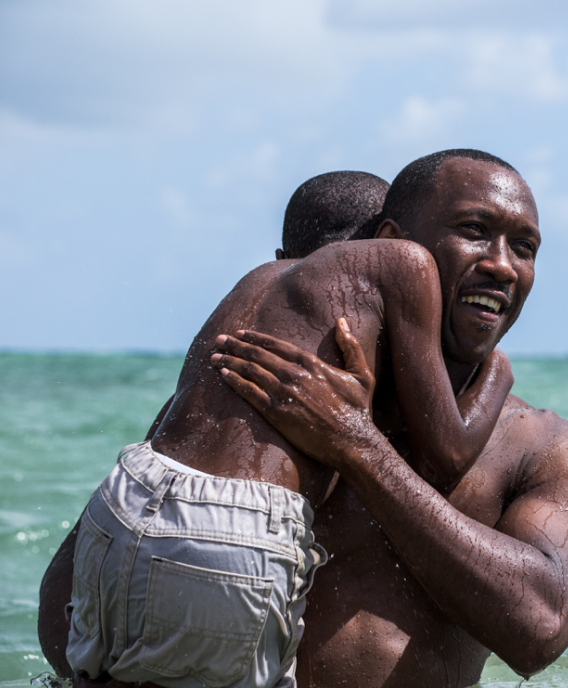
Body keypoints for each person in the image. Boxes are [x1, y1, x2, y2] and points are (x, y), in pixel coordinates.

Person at [41, 150, 568, 688]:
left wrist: (357, 448)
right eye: (473, 231)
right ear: (397, 245)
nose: (501, 265)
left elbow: (541, 626)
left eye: (526, 247)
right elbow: (72, 604)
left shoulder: (544, 448)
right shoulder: (269, 387)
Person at [37, 168, 394, 680]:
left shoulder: (219, 364)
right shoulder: (361, 362)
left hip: (120, 517)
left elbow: (68, 601)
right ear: (389, 253)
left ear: (280, 267)